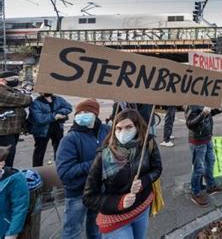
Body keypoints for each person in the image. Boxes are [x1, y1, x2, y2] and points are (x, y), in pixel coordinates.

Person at [83, 109, 162, 239]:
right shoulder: (103, 155)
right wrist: (119, 202)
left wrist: (144, 181)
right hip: (115, 219)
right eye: (118, 128)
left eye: (128, 127)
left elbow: (157, 169)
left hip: (142, 209)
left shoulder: (148, 144)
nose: (122, 132)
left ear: (137, 127)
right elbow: (88, 197)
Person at [56, 98, 109, 239]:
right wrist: (96, 163)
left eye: (87, 112)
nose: (83, 115)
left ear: (96, 115)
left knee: (96, 229)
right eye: (80, 112)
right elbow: (65, 172)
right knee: (72, 231)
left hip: (99, 190)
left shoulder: (106, 131)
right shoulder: (70, 139)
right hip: (77, 193)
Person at [185, 105, 222, 207]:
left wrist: (217, 110)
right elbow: (189, 124)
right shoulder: (191, 105)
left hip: (207, 138)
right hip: (198, 141)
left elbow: (209, 114)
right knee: (199, 169)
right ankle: (195, 193)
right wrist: (203, 114)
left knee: (211, 161)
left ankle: (210, 186)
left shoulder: (204, 101)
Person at [28, 93, 72, 167]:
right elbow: (40, 119)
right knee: (40, 151)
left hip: (58, 128)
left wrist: (59, 113)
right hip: (42, 130)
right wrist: (55, 116)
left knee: (59, 149)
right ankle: (37, 169)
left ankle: (59, 167)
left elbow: (68, 107)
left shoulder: (58, 99)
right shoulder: (36, 103)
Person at [0, 71, 32, 167]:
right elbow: (24, 100)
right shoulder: (1, 91)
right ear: (2, 80)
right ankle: (6, 177)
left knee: (9, 155)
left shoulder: (10, 90)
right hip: (4, 131)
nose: (15, 81)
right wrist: (27, 97)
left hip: (11, 129)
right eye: (13, 79)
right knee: (6, 156)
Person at [0, 146, 29, 239]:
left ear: (1, 163)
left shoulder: (15, 179)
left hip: (4, 228)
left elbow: (20, 208)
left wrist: (11, 234)